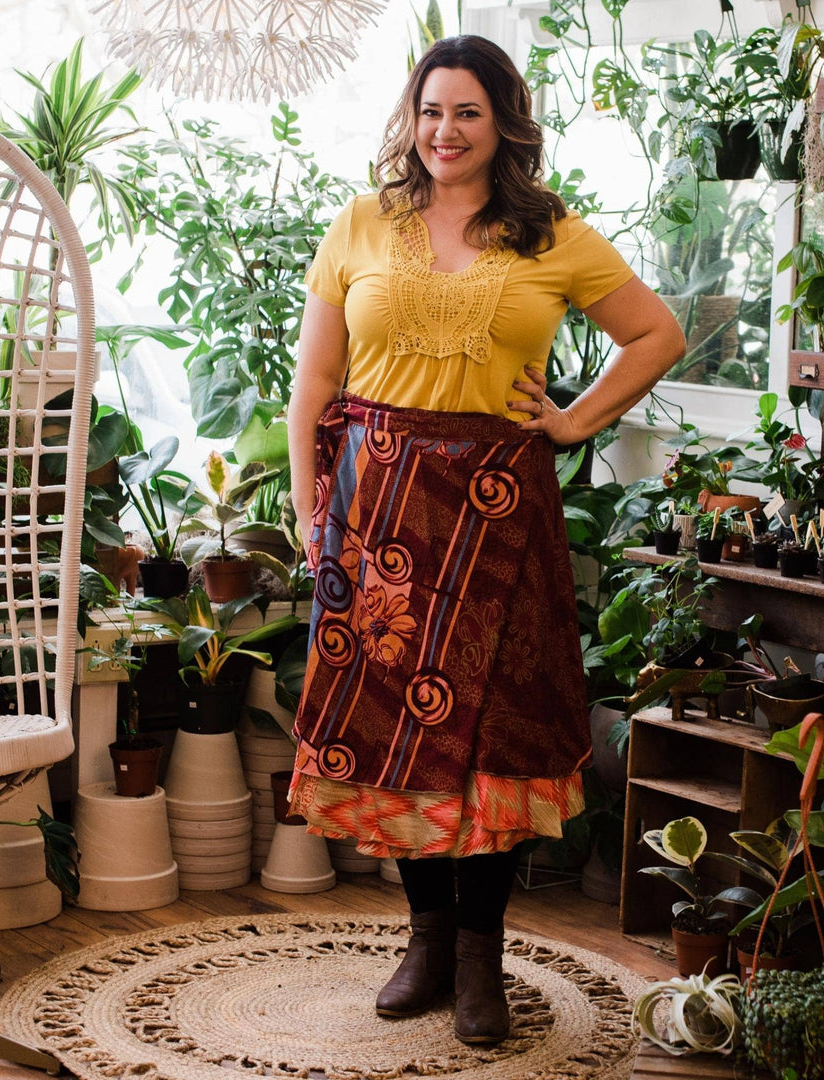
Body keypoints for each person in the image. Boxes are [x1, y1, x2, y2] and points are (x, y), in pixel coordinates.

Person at [285, 34, 686, 1044]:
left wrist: (575, 419)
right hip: (375, 513)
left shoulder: (549, 233)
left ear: (504, 121)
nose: (444, 131)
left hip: (499, 513)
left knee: (494, 736)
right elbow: (316, 384)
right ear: (408, 119)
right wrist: (308, 507)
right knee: (395, 728)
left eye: (466, 112)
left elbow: (657, 333)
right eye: (429, 110)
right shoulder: (360, 224)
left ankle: (480, 956)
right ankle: (425, 940)